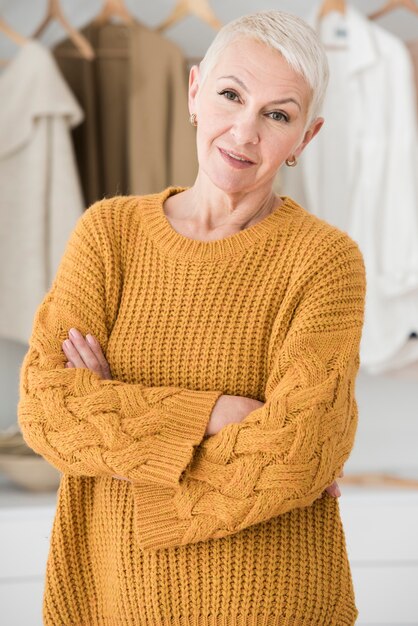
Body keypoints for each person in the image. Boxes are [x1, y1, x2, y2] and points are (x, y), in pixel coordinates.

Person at [18, 9, 366, 625]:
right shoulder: (109, 234)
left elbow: (298, 449)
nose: (244, 131)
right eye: (231, 95)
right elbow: (47, 412)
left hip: (271, 598)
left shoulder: (325, 261)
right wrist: (216, 415)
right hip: (112, 593)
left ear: (304, 139)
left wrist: (122, 428)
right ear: (195, 92)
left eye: (277, 114)